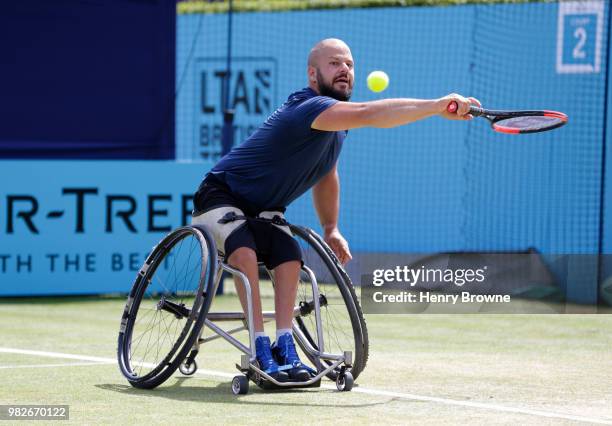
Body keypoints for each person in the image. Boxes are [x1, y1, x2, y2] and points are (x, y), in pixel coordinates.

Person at [192, 38, 480, 381]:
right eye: (334, 63)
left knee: (289, 255)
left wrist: (331, 227)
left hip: (266, 209)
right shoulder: (309, 106)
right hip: (221, 195)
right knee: (245, 253)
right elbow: (370, 113)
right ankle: (258, 345)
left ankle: (286, 343)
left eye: (349, 64)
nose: (345, 69)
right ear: (313, 74)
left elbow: (326, 173)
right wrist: (436, 105)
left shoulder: (337, 126)